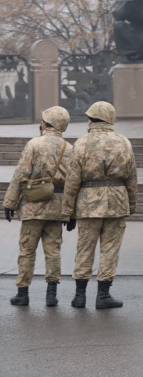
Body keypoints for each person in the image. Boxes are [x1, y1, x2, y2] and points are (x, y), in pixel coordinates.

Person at [61, 102, 137, 309]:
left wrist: (68, 212)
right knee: (110, 250)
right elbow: (131, 177)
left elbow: (72, 180)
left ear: (91, 120)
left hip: (88, 203)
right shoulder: (124, 142)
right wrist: (131, 204)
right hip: (117, 202)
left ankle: (79, 295)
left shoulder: (81, 143)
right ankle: (103, 295)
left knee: (84, 249)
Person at [3, 106, 74, 307]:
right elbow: (73, 182)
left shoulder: (34, 144)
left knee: (27, 250)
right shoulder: (69, 148)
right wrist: (71, 212)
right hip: (57, 207)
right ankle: (51, 294)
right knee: (53, 251)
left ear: (46, 123)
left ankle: (23, 293)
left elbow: (21, 174)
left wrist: (10, 202)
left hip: (32, 205)